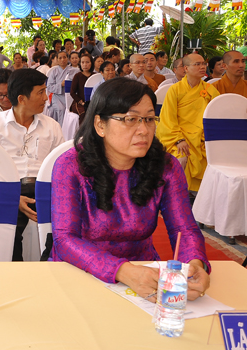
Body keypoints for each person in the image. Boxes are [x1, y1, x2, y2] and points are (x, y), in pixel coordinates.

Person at [51, 78, 211, 297]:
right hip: (79, 272)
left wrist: (195, 264)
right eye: (130, 119)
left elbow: (184, 229)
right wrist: (122, 271)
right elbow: (65, 239)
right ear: (100, 125)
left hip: (145, 274)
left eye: (149, 119)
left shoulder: (165, 166)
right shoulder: (71, 166)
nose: (143, 130)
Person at [0, 69, 64, 261]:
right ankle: (13, 272)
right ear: (22, 98)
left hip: (44, 189)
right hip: (9, 189)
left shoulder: (51, 126)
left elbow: (61, 166)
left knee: (60, 230)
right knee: (8, 235)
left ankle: (50, 268)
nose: (46, 98)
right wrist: (13, 198)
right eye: (40, 92)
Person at [156, 53, 220, 193]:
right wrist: (179, 140)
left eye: (203, 64)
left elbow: (217, 116)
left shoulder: (210, 90)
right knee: (181, 158)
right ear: (186, 68)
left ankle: (203, 197)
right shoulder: (175, 90)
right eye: (197, 64)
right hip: (178, 137)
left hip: (203, 139)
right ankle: (175, 195)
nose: (202, 67)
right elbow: (167, 119)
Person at [46, 51, 77, 125]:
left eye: (64, 57)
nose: (62, 59)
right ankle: (61, 128)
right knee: (61, 109)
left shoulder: (74, 70)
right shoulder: (54, 71)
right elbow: (49, 87)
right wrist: (60, 85)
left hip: (71, 96)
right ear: (57, 60)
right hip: (57, 97)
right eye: (60, 58)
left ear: (68, 59)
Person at [69, 54, 94, 124]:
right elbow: (72, 92)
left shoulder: (95, 76)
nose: (85, 65)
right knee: (83, 113)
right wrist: (82, 102)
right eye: (82, 62)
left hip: (92, 102)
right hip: (79, 103)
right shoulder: (77, 76)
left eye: (87, 62)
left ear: (91, 63)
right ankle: (82, 130)